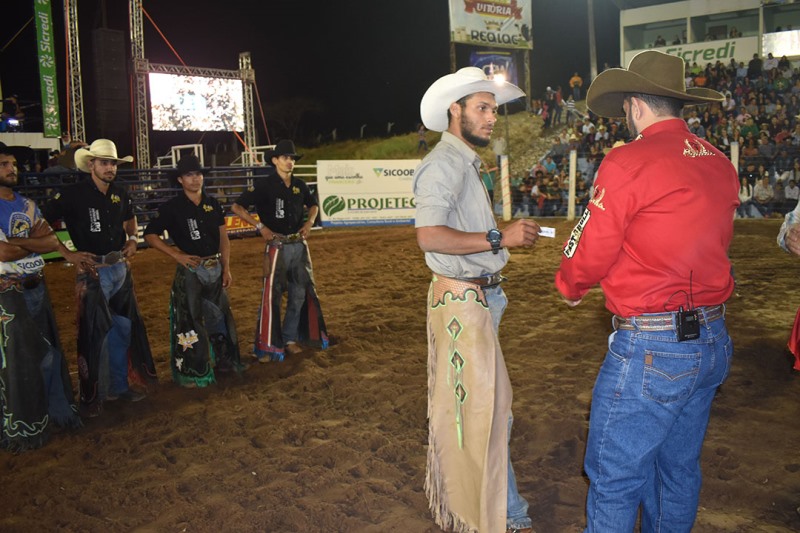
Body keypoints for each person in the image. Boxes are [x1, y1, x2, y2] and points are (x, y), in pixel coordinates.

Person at [555, 50, 738, 531]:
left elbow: (593, 243)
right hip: (712, 336)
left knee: (615, 478)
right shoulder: (719, 162)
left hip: (654, 343)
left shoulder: (628, 161)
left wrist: (571, 283)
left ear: (635, 105)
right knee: (678, 469)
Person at [413, 66, 541, 533]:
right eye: (483, 108)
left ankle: (496, 512)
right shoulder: (444, 164)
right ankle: (505, 517)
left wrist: (499, 238)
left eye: (493, 109)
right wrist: (497, 237)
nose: (491, 118)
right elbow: (429, 235)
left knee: (486, 409)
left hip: (477, 298)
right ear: (456, 110)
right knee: (485, 413)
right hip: (465, 302)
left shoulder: (463, 162)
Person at [43, 139, 156, 418]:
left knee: (122, 329)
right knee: (95, 335)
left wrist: (132, 239)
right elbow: (40, 221)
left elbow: (130, 219)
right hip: (93, 271)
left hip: (118, 268)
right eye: (104, 163)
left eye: (113, 164)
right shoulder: (72, 194)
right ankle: (94, 395)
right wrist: (66, 253)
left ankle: (117, 387)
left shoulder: (120, 193)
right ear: (91, 164)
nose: (110, 168)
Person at [0, 143, 81, 451]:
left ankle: (47, 414)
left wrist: (20, 241)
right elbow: (5, 252)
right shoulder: (26, 208)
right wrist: (36, 242)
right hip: (9, 291)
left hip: (34, 286)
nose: (12, 169)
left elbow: (49, 240)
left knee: (45, 353)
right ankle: (25, 424)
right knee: (20, 359)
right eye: (4, 164)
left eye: (12, 163)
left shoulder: (27, 203)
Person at [143, 155, 243, 388]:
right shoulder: (172, 208)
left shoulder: (213, 204)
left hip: (214, 266)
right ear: (180, 179)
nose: (195, 178)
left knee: (218, 315)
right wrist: (176, 255)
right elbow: (150, 235)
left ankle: (224, 360)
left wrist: (226, 267)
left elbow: (223, 238)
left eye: (198, 174)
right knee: (190, 319)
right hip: (191, 269)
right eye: (189, 175)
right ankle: (195, 369)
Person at [231, 140, 328, 362]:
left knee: (298, 294)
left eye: (292, 158)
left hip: (298, 244)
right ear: (275, 160)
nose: (290, 161)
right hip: (277, 246)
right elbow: (237, 206)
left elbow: (313, 204)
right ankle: (268, 344)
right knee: (272, 295)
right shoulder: (264, 185)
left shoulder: (300, 185)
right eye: (285, 157)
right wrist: (260, 227)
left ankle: (288, 339)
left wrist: (309, 222)